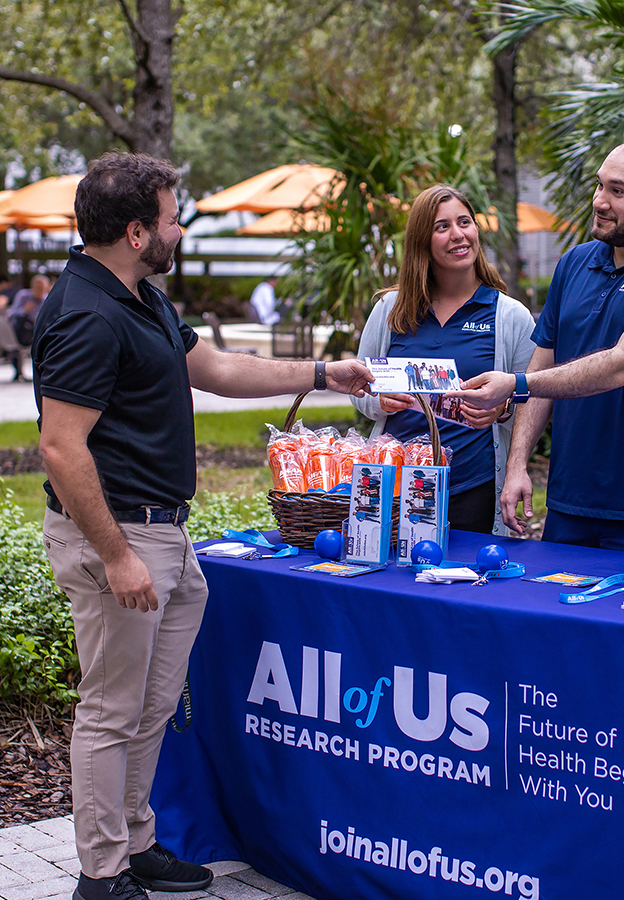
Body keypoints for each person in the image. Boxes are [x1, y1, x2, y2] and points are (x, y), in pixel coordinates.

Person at [31, 151, 372, 900]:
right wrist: (118, 556)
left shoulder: (137, 296)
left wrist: (322, 374)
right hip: (120, 538)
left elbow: (213, 367)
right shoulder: (87, 313)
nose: (179, 229)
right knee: (113, 710)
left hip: (165, 534)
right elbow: (59, 447)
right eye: (171, 216)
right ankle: (100, 874)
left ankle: (135, 839)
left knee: (153, 701)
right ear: (134, 231)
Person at [450, 141, 624, 554]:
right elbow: (540, 370)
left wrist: (515, 382)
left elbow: (621, 366)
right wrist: (517, 464)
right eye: (599, 186)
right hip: (569, 503)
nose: (599, 201)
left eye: (617, 191)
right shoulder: (575, 264)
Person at [352, 184, 535, 535]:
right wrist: (379, 400)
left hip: (474, 485)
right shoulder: (390, 310)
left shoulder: (509, 316)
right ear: (423, 241)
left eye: (464, 222)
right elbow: (357, 388)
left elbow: (533, 396)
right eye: (442, 227)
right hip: (394, 489)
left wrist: (503, 408)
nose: (458, 235)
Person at [6, 273, 50, 380]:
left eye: (42, 288)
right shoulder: (24, 296)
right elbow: (11, 314)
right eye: (37, 288)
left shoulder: (47, 299)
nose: (39, 291)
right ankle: (18, 372)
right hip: (23, 330)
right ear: (32, 287)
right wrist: (24, 310)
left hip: (40, 331)